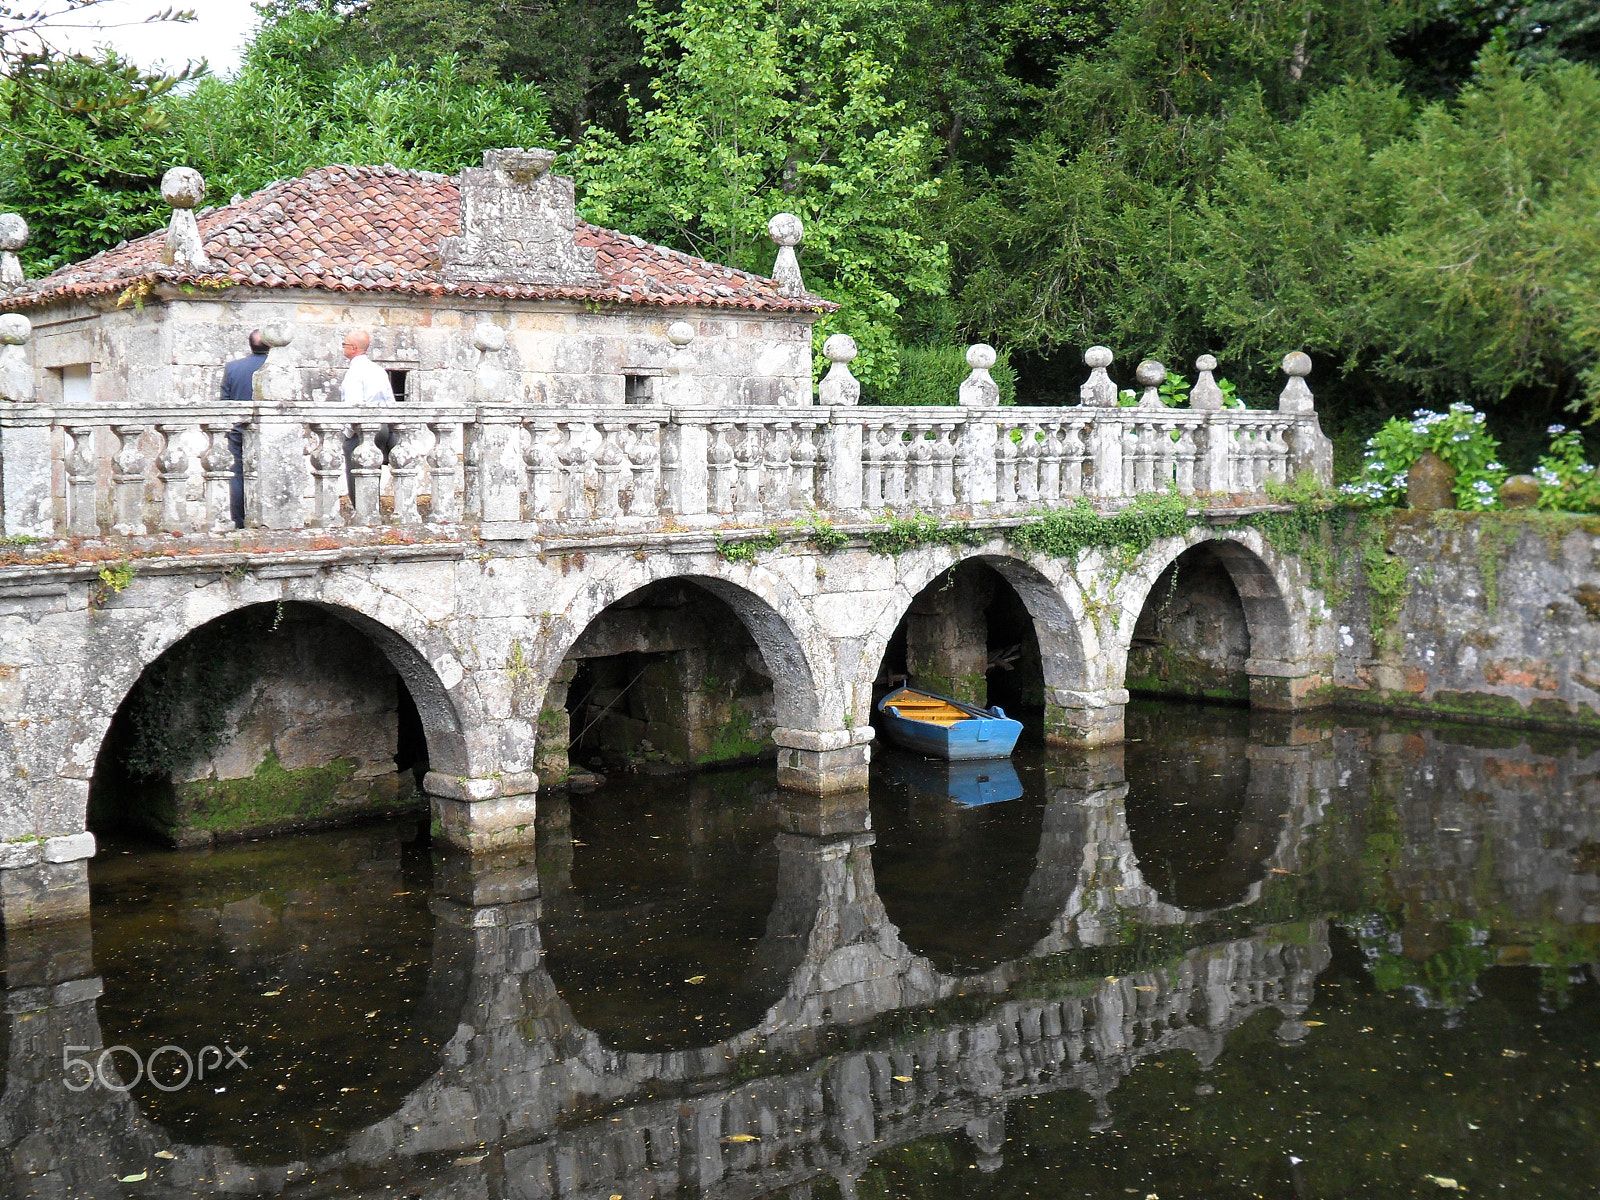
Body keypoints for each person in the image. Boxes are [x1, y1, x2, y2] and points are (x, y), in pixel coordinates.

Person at [339, 329, 395, 498]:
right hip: (381, 427)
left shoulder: (354, 373)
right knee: (374, 471)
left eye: (345, 344)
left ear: (354, 348)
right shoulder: (378, 370)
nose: (343, 347)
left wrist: (347, 434)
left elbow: (354, 406)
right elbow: (390, 401)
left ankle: (362, 510)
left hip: (361, 429)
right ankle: (374, 506)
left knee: (356, 474)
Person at [220, 329, 268, 527]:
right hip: (268, 431)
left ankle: (240, 520)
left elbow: (225, 401)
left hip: (238, 429)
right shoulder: (274, 367)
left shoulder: (233, 368)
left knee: (238, 474)